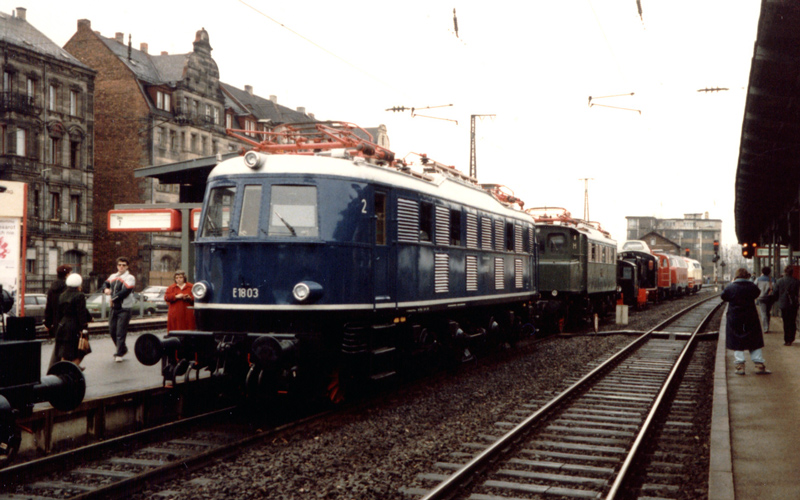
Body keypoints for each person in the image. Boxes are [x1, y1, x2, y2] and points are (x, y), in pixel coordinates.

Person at [721, 267, 771, 375]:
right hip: (750, 316)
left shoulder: (731, 287)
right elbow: (757, 293)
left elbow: (723, 296)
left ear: (736, 275)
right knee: (754, 339)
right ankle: (759, 365)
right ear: (746, 276)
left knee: (736, 338)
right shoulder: (752, 286)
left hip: (735, 317)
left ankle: (740, 366)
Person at [52, 273, 91, 368]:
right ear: (79, 284)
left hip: (63, 325)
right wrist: (84, 327)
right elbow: (81, 313)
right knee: (83, 350)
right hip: (74, 326)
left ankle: (64, 369)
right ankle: (73, 368)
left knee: (65, 352)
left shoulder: (62, 295)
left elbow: (59, 313)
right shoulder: (80, 295)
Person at [102, 257, 135, 362]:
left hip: (124, 308)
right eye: (119, 265)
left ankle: (119, 353)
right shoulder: (113, 276)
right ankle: (123, 348)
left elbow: (125, 292)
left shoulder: (130, 278)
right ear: (117, 266)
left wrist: (113, 298)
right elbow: (105, 284)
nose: (121, 267)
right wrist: (105, 289)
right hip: (113, 308)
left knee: (120, 331)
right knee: (112, 330)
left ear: (127, 266)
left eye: (124, 265)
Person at [44, 264, 72, 370]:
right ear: (67, 274)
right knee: (62, 347)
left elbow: (49, 306)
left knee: (60, 344)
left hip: (56, 322)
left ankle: (71, 364)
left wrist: (47, 322)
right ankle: (55, 369)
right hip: (66, 320)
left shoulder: (52, 286)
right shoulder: (68, 287)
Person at [775, 265, 800, 346]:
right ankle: (791, 337)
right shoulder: (796, 281)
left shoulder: (779, 281)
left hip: (783, 304)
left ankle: (787, 340)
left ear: (784, 271)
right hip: (793, 304)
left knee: (786, 322)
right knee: (792, 321)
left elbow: (775, 293)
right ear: (792, 272)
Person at [755, 266, 775, 333]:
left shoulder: (758, 279)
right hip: (769, 298)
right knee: (768, 312)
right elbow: (774, 289)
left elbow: (754, 287)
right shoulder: (772, 279)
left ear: (762, 271)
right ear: (769, 272)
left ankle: (765, 328)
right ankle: (767, 325)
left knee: (763, 313)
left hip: (761, 298)